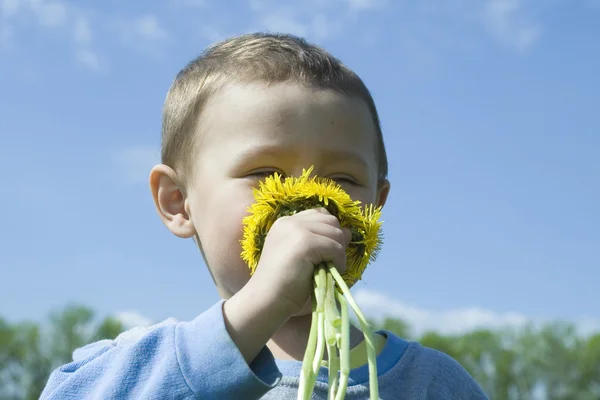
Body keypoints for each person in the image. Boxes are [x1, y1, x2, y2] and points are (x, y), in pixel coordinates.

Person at [40, 32, 488, 399]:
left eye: (344, 180)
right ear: (178, 201)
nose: (311, 200)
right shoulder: (138, 369)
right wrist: (258, 307)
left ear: (376, 204)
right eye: (265, 172)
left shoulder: (433, 385)